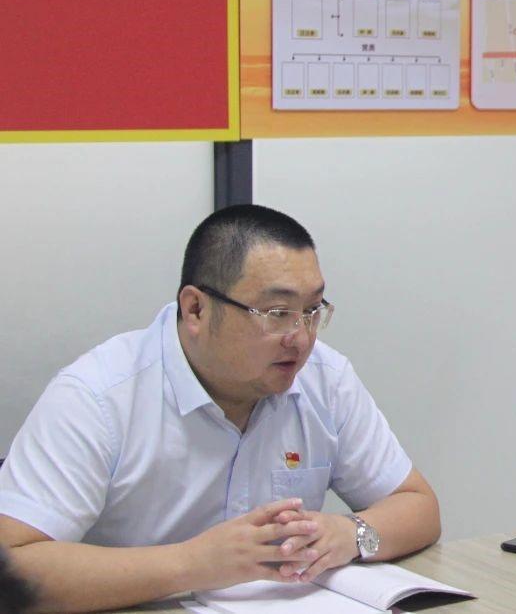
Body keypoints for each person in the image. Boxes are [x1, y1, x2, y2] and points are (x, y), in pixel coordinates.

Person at [0, 205, 441, 612]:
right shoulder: (98, 397)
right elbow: (12, 567)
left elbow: (417, 505)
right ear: (195, 309)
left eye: (311, 310)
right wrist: (194, 564)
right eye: (276, 312)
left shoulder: (325, 379)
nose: (302, 338)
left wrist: (351, 533)